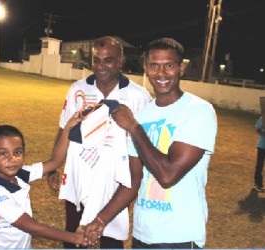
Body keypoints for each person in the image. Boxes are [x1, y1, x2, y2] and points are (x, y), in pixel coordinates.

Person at [84, 37, 217, 249]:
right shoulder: (143, 115)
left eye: (169, 66)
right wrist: (101, 220)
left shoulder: (198, 111)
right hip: (143, 233)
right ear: (146, 68)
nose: (161, 74)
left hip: (179, 236)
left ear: (181, 68)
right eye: (154, 66)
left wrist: (134, 128)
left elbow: (167, 175)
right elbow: (134, 180)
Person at [47, 36, 152, 249]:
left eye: (108, 60)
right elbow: (63, 128)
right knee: (73, 234)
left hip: (116, 180)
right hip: (79, 175)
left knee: (110, 237)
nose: (101, 66)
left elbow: (144, 140)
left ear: (121, 60)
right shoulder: (78, 89)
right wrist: (53, 166)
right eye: (96, 60)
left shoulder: (138, 96)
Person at [0, 113, 91, 248]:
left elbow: (55, 162)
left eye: (17, 152)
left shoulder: (20, 174)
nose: (12, 158)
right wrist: (75, 238)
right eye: (3, 153)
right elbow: (31, 226)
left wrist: (68, 128)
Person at [253, 116, 265, 192]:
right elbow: (257, 129)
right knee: (259, 165)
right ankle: (258, 184)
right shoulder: (263, 117)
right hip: (262, 146)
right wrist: (263, 133)